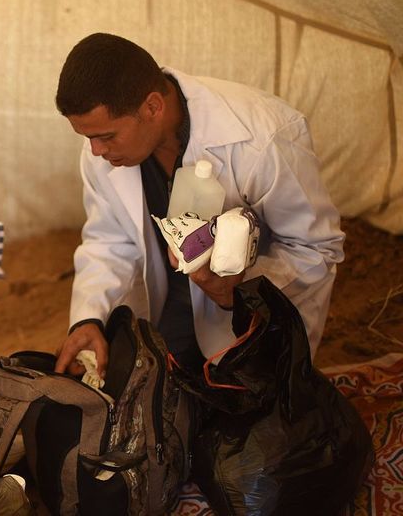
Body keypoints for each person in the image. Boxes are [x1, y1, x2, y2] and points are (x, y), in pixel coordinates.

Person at [53, 33, 345, 377]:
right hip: (169, 312)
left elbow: (313, 248)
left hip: (250, 324)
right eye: (88, 138)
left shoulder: (263, 138)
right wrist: (89, 318)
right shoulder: (104, 148)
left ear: (152, 107)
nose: (96, 151)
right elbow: (109, 240)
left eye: (106, 137)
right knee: (145, 395)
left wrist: (242, 291)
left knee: (240, 401)